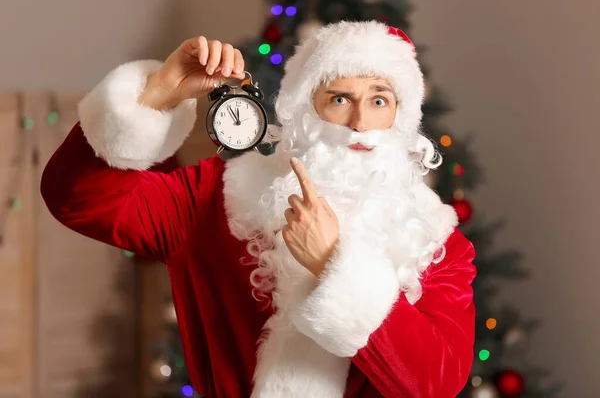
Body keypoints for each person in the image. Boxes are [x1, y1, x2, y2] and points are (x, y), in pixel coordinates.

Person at [41, 21, 476, 398]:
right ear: (307, 111)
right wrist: (154, 97)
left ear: (401, 117)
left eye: (379, 100)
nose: (360, 123)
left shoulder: (434, 239)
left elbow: (435, 385)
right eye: (339, 98)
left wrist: (334, 267)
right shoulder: (216, 198)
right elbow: (78, 200)